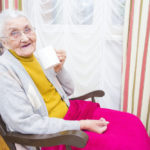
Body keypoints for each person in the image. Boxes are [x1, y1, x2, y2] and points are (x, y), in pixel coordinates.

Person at [0, 10, 149, 150]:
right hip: (53, 135)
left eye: (27, 29)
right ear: (4, 42)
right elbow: (25, 123)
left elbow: (68, 91)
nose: (25, 38)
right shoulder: (4, 71)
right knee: (122, 143)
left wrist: (59, 69)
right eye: (14, 33)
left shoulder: (38, 58)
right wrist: (81, 125)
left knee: (131, 122)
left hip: (72, 113)